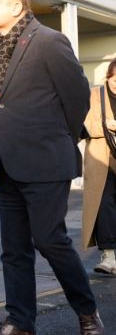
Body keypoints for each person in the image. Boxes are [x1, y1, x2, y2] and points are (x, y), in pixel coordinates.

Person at [0, 0, 103, 335]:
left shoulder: (50, 41)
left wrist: (59, 138)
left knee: (50, 240)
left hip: (47, 161)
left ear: (16, 6)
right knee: (14, 249)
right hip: (7, 164)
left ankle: (87, 311)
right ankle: (20, 320)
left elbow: (77, 96)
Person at [82, 57, 116, 275]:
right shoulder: (95, 95)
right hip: (101, 158)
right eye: (114, 79)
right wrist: (106, 125)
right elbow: (83, 124)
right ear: (108, 76)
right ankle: (109, 255)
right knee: (104, 204)